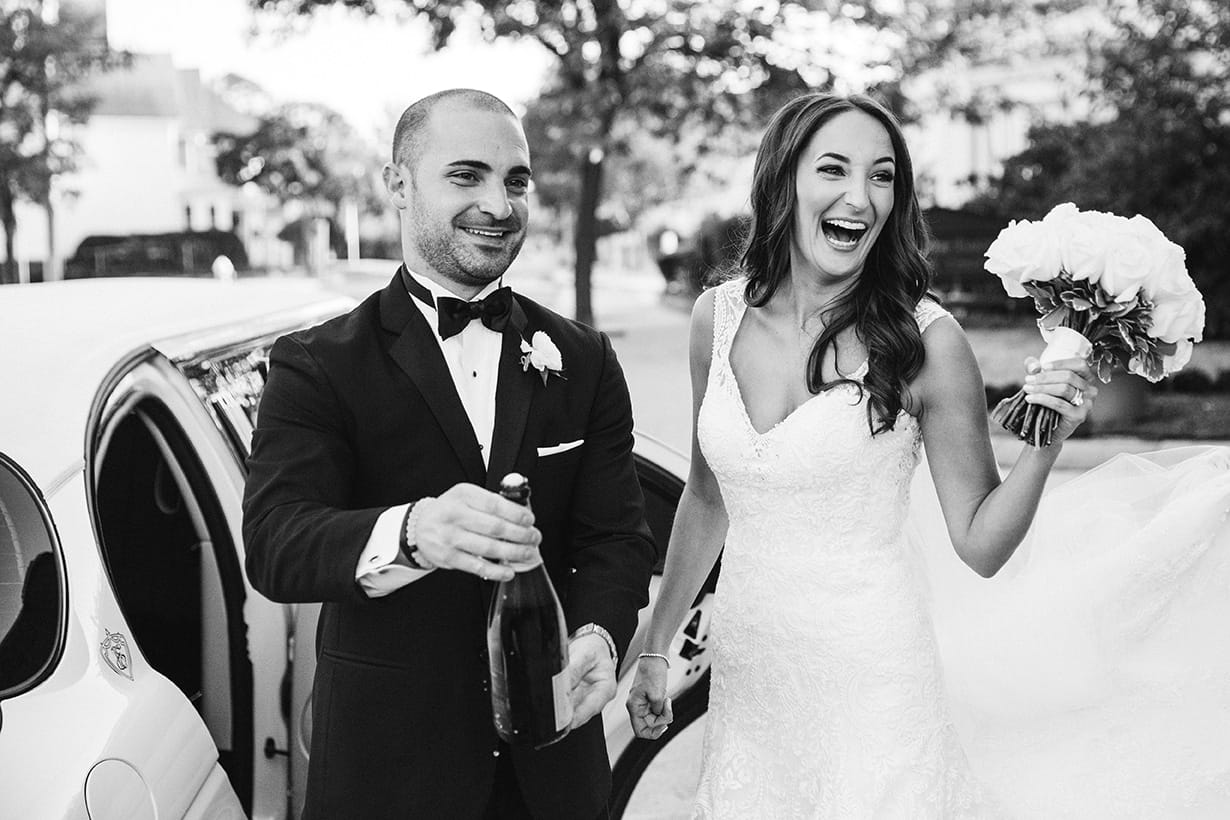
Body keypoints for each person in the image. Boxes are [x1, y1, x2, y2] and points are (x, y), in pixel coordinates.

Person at [628, 91, 1230, 818]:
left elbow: (980, 542)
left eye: (883, 176)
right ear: (781, 180)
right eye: (834, 169)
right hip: (752, 681)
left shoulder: (926, 342)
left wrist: (1046, 444)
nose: (861, 196)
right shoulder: (713, 321)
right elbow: (706, 496)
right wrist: (657, 646)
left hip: (875, 682)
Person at [243, 88, 657, 820]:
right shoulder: (317, 363)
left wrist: (598, 634)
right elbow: (277, 544)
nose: (499, 205)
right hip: (388, 775)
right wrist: (413, 532)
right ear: (397, 185)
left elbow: (617, 538)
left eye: (516, 181)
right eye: (467, 176)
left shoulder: (584, 359)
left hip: (554, 777)